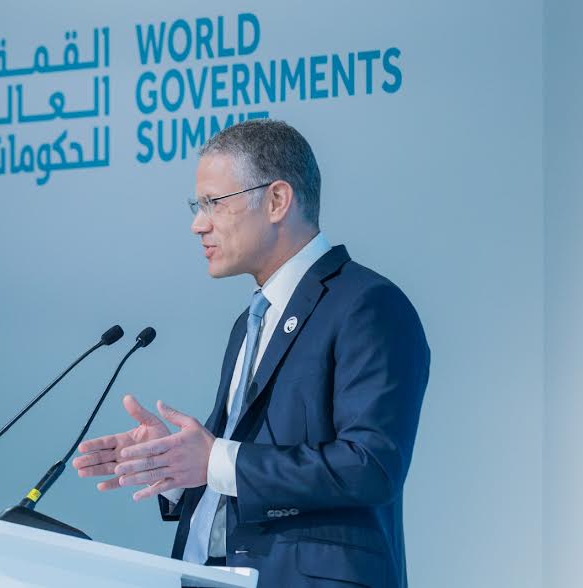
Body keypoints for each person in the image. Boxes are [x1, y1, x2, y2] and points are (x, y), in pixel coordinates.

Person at [72, 119, 430, 587]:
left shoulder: (366, 305)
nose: (198, 224)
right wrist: (175, 463)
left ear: (277, 200)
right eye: (197, 206)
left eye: (214, 203)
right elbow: (235, 470)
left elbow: (371, 467)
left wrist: (215, 460)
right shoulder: (251, 321)